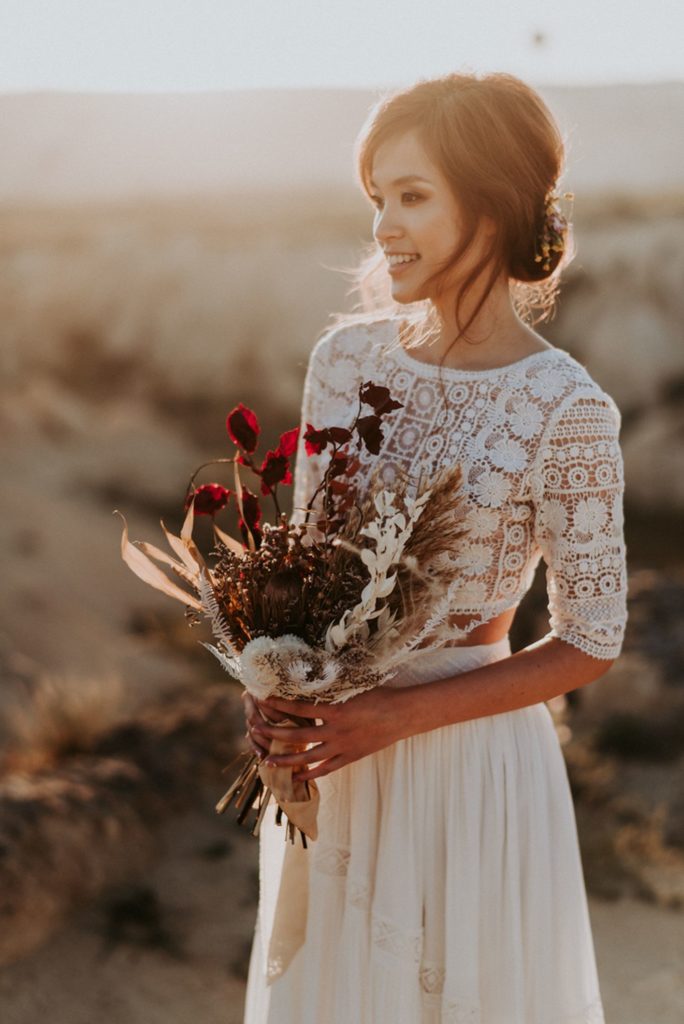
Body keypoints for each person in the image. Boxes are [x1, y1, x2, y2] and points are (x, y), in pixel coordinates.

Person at [241, 71, 627, 1024]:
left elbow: (593, 637)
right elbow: (301, 565)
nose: (383, 227)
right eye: (378, 199)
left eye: (413, 196)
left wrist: (397, 720)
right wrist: (270, 682)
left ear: (490, 204)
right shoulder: (345, 362)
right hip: (337, 764)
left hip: (470, 778)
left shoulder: (565, 409)